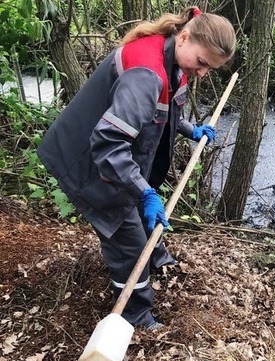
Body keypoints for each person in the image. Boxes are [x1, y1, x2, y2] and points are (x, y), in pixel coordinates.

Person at [37, 7, 236, 330]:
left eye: (209, 69)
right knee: (126, 237)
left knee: (141, 216)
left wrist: (190, 129)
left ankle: (157, 260)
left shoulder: (174, 59)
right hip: (88, 159)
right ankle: (135, 314)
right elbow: (108, 143)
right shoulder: (145, 71)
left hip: (113, 157)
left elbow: (164, 108)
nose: (202, 73)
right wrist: (143, 192)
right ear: (184, 37)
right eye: (202, 63)